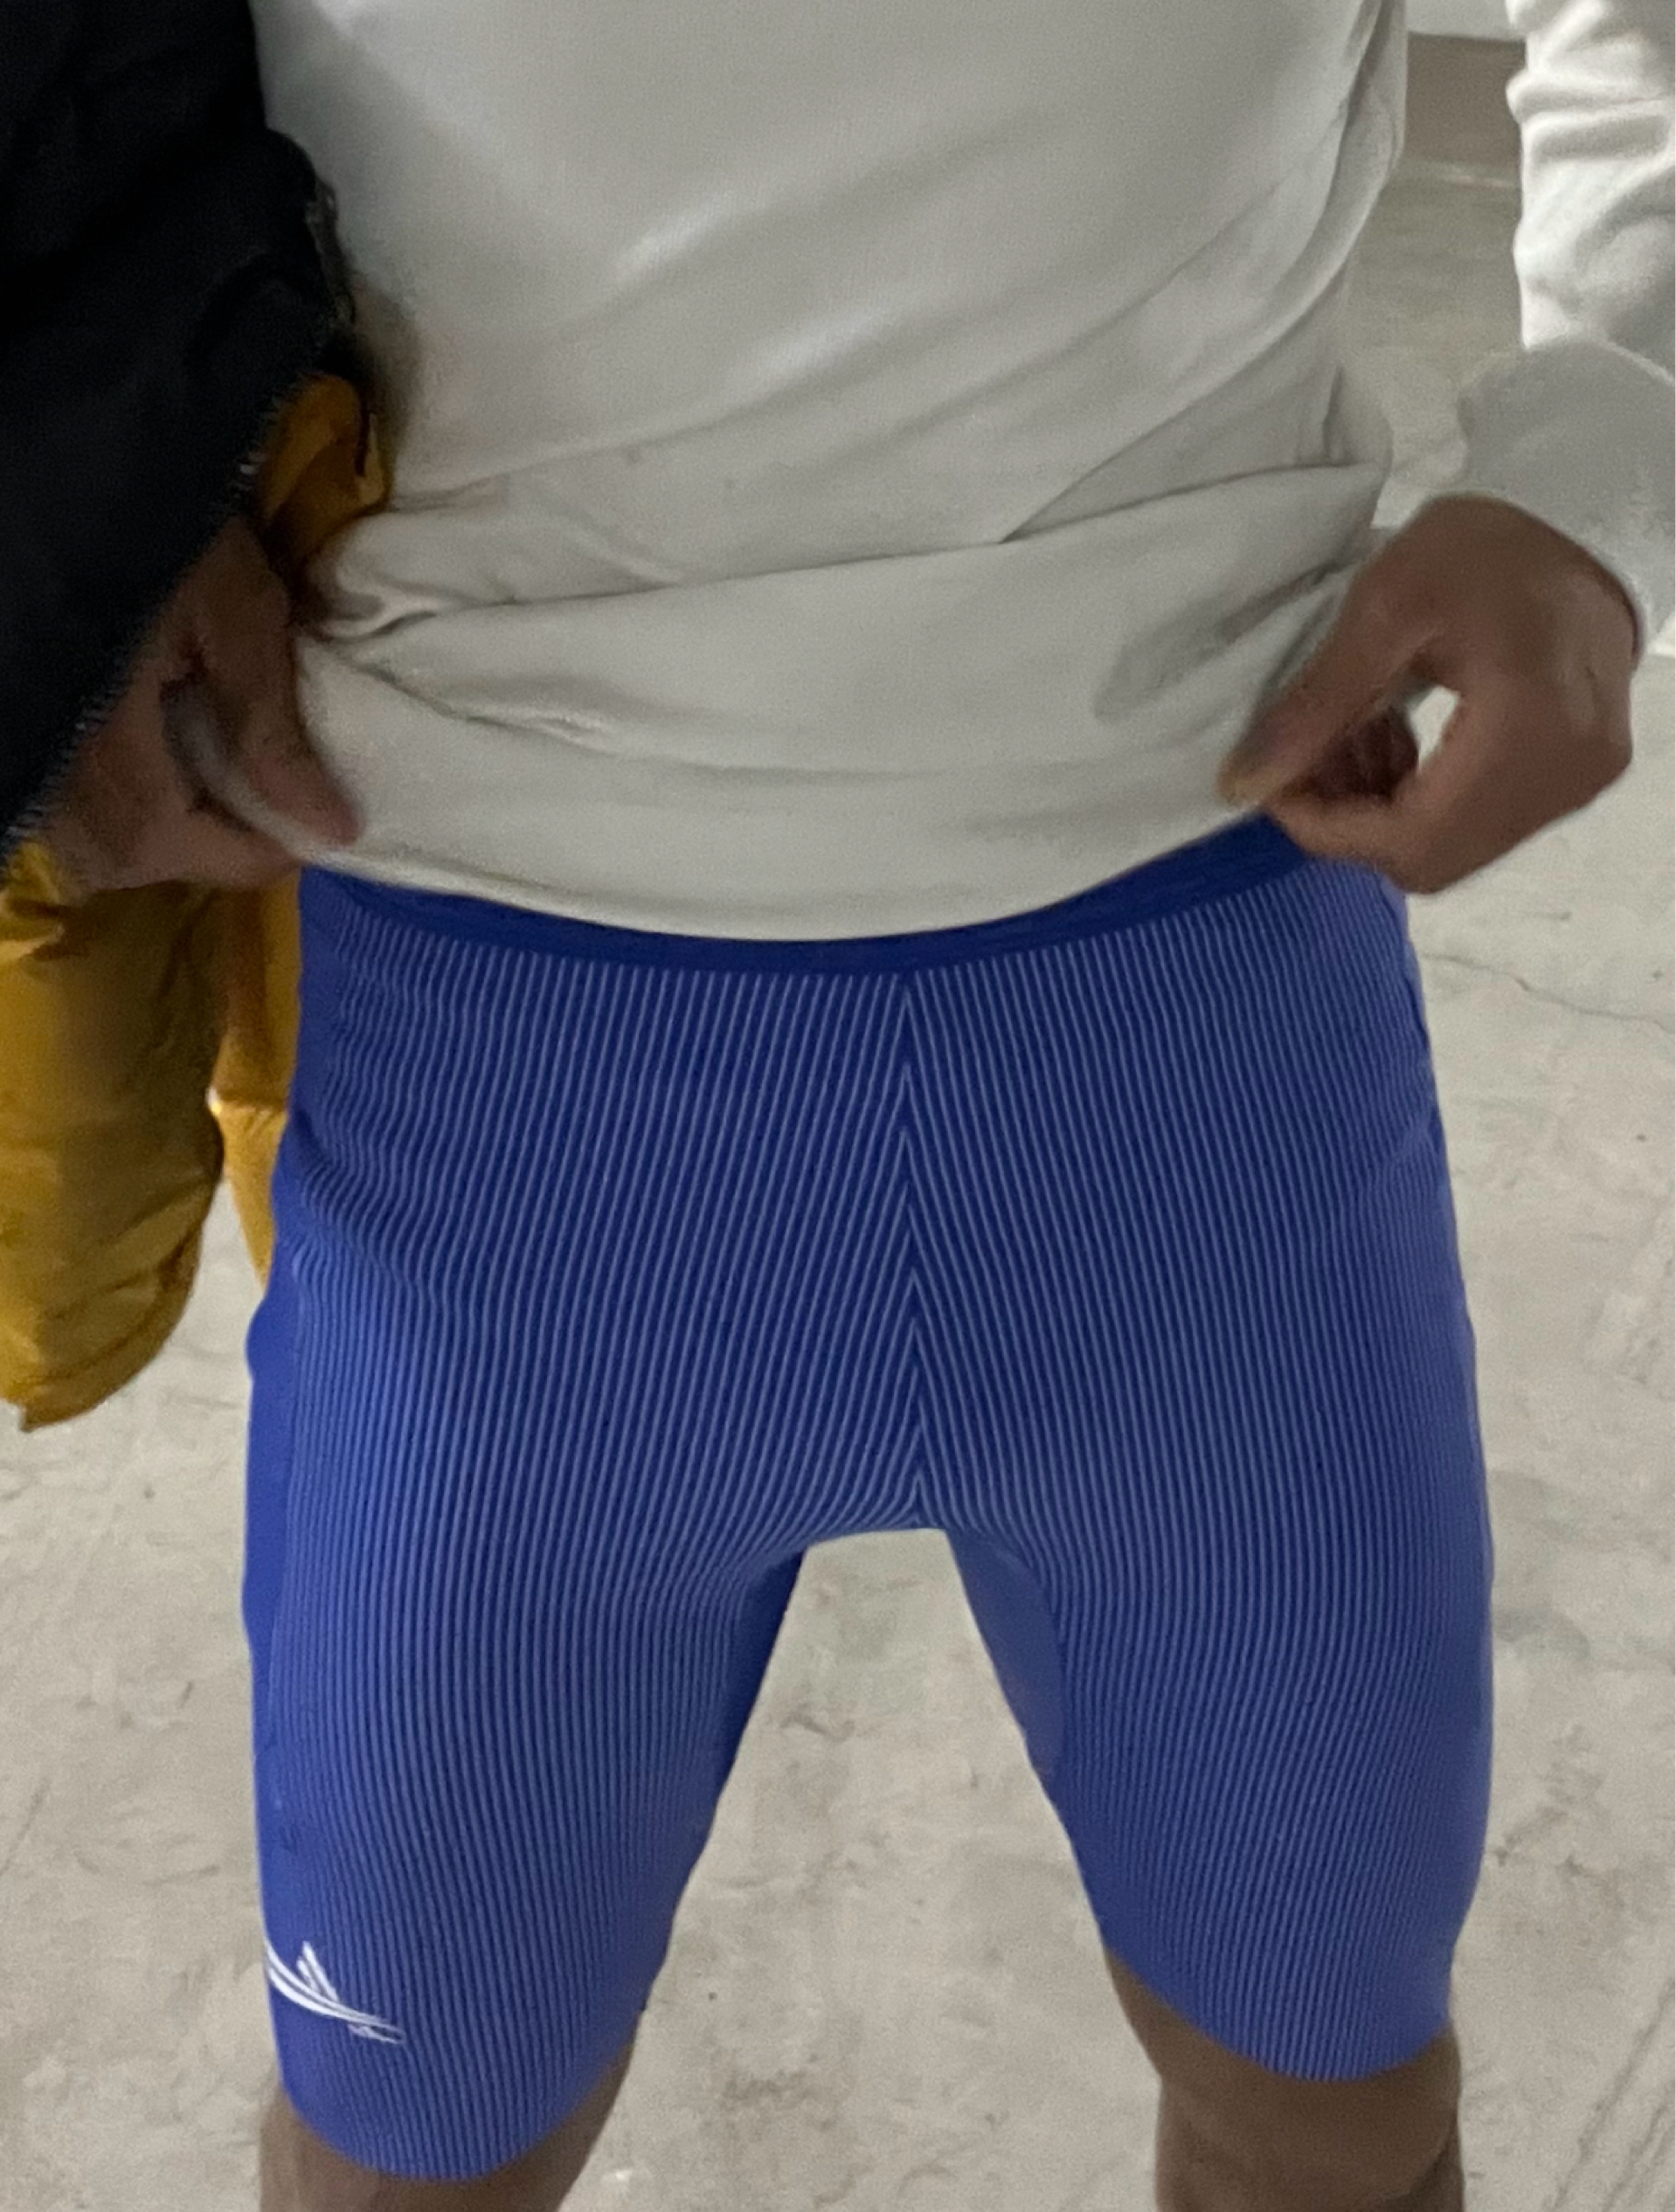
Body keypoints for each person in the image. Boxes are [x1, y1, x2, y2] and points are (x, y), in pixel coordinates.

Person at [3, 0, 1670, 2205]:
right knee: (409, 2154)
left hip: (1198, 1022)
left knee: (1331, 2118)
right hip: (506, 1072)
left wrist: (1595, 449)